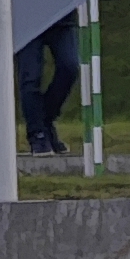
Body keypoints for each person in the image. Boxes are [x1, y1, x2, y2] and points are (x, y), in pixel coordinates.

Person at [15, 9, 81, 159]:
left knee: (69, 67)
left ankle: (45, 120)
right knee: (31, 78)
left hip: (61, 15)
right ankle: (37, 134)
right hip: (26, 20)